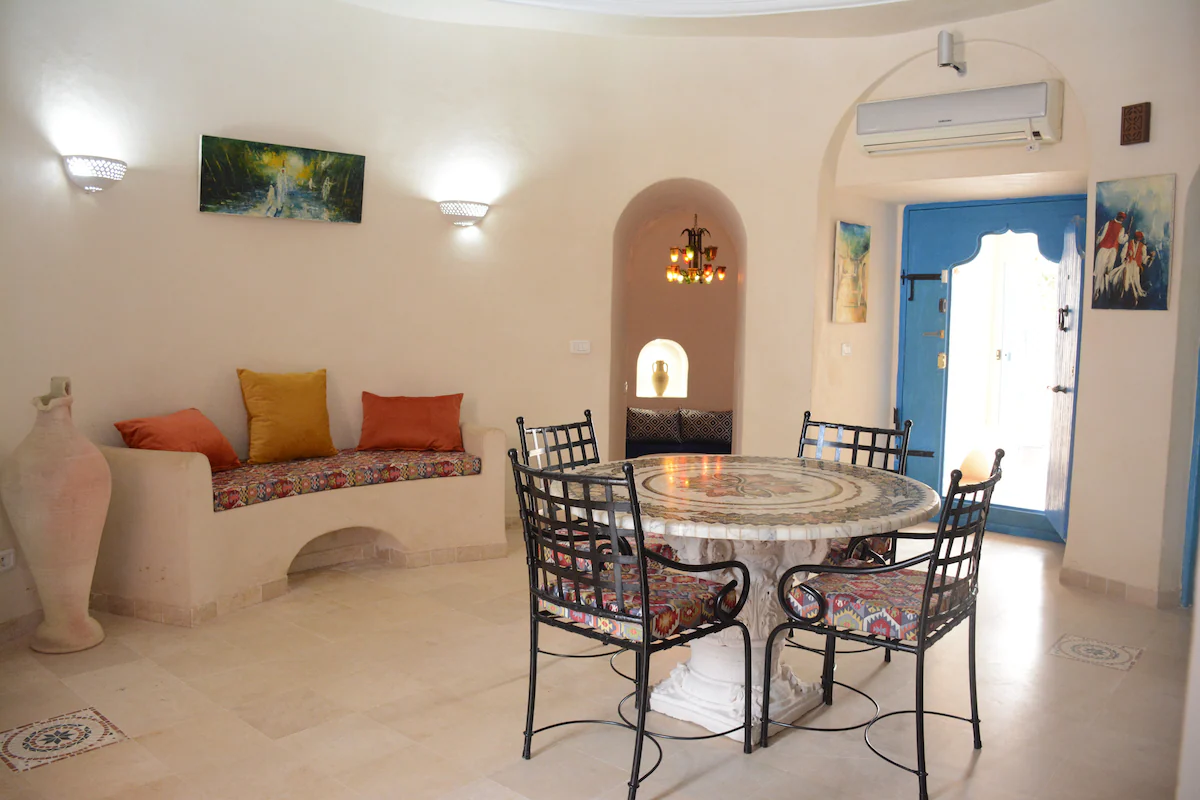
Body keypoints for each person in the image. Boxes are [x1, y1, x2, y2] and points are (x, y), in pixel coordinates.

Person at [1094, 211, 1127, 300]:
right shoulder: (1120, 228)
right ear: (1118, 217)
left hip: (1109, 250)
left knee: (1104, 271)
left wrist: (1097, 243)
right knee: (1102, 271)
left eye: (1122, 218)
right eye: (1121, 217)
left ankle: (1102, 292)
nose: (1121, 219)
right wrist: (1126, 237)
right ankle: (1099, 292)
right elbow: (1121, 240)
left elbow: (1102, 236)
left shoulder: (1110, 223)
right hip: (1109, 250)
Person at [1118, 231, 1149, 304]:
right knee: (1126, 277)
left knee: (1135, 280)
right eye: (1136, 238)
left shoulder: (1142, 246)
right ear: (1134, 237)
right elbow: (1122, 254)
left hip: (1136, 266)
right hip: (1128, 263)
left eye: (1139, 239)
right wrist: (1126, 257)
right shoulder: (1128, 244)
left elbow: (1144, 259)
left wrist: (1149, 257)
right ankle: (1123, 293)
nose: (1137, 240)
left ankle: (1134, 296)